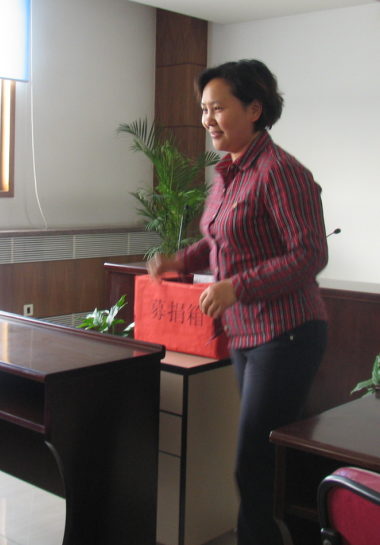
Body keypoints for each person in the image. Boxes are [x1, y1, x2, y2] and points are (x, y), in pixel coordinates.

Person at [147, 59, 329, 545]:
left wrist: (237, 287)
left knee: (254, 462)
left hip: (288, 332)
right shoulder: (228, 172)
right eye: (204, 109)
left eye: (218, 108)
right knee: (265, 459)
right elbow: (219, 239)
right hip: (248, 333)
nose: (207, 119)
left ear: (254, 109)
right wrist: (180, 259)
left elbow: (310, 254)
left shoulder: (280, 171)